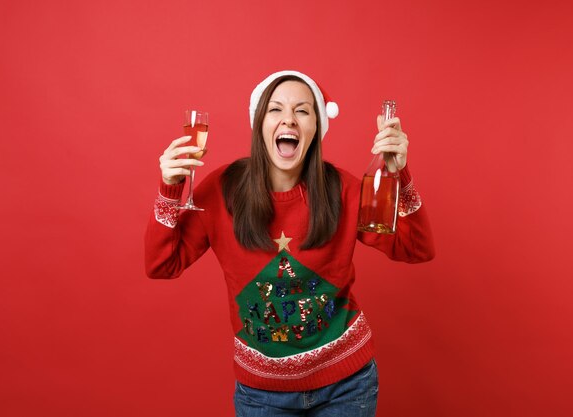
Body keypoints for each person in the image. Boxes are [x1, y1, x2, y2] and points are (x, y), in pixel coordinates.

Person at [145, 70, 435, 416]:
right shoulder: (222, 189)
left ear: (316, 128)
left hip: (347, 385)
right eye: (275, 110)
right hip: (261, 395)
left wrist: (399, 174)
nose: (289, 120)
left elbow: (416, 248)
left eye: (302, 111)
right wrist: (170, 189)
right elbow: (162, 265)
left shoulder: (343, 189)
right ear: (259, 124)